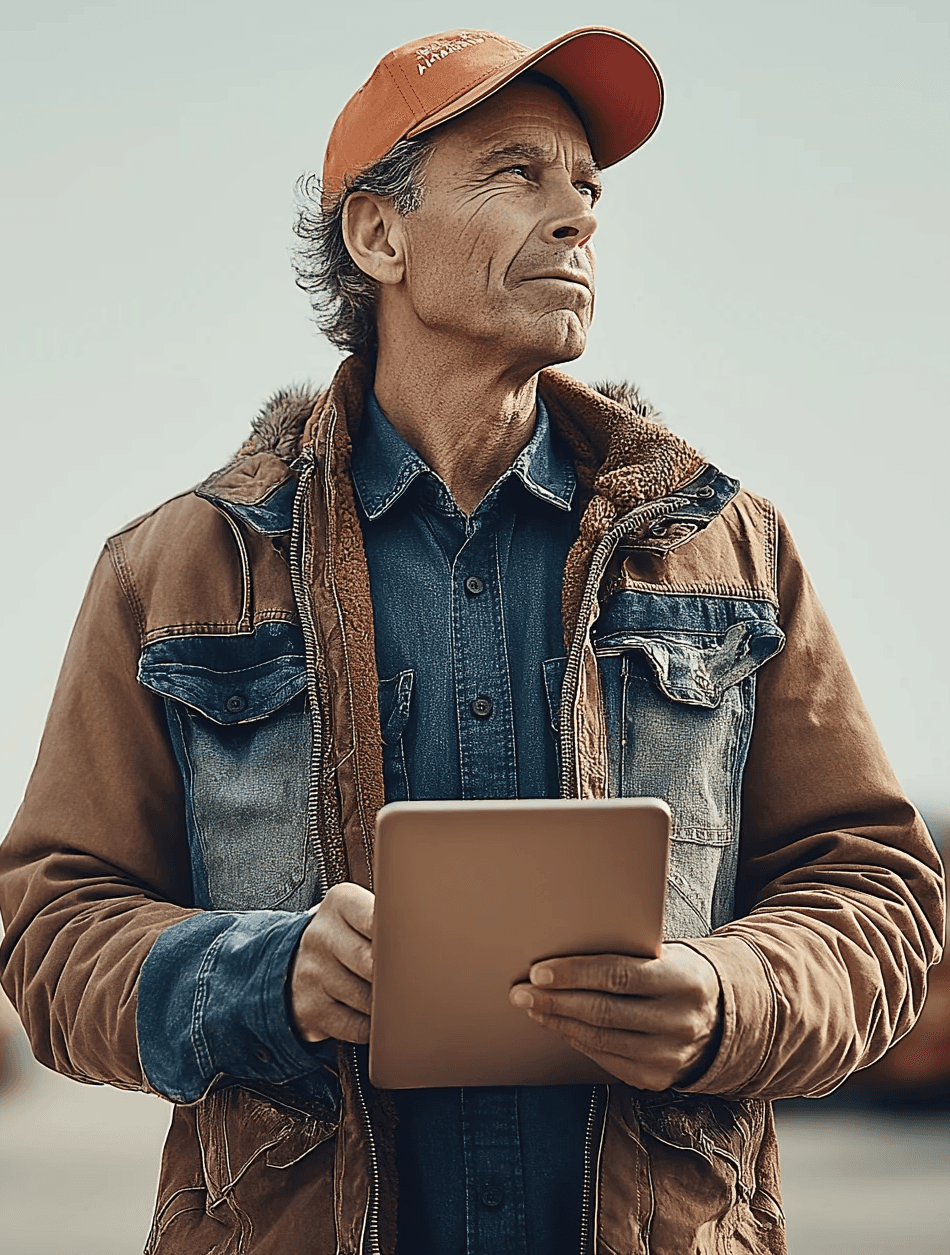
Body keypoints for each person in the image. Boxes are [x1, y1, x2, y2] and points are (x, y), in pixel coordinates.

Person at [0, 25, 943, 1255]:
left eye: (586, 187)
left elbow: (873, 887)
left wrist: (726, 996)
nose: (577, 219)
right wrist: (258, 976)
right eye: (517, 173)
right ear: (377, 236)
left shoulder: (733, 549)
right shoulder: (173, 569)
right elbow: (50, 925)